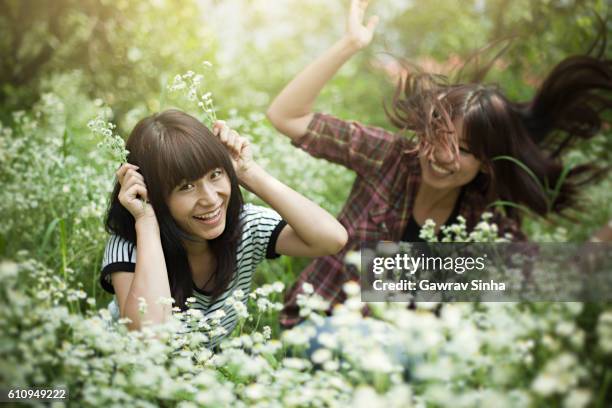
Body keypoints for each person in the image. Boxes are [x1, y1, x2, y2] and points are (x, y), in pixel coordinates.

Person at [266, 0, 612, 328]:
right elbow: (285, 115)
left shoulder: (484, 221)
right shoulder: (390, 156)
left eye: (462, 148)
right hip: (320, 322)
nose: (441, 156)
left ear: (487, 164)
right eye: (436, 135)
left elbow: (565, 274)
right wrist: (350, 44)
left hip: (401, 356)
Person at [99, 109, 348, 341]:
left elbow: (331, 239)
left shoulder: (245, 225)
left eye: (215, 174)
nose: (210, 198)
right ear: (151, 193)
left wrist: (248, 171)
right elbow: (150, 337)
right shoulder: (130, 245)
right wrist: (146, 219)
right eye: (186, 187)